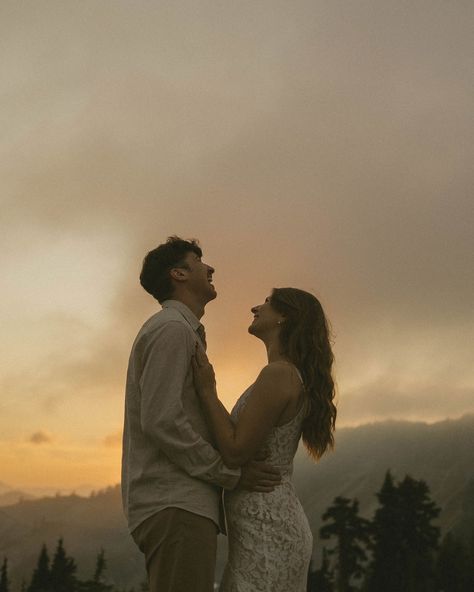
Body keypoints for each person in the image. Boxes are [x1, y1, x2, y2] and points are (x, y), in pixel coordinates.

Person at [121, 236, 281, 592]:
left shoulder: (181, 331)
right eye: (198, 260)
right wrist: (228, 474)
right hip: (175, 504)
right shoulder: (172, 330)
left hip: (180, 504)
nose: (210, 268)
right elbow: (161, 420)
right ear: (178, 273)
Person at [192, 287, 337, 591]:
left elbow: (234, 451)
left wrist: (207, 391)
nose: (255, 307)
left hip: (268, 530)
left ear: (285, 317)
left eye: (268, 302)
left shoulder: (279, 375)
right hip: (263, 526)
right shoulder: (286, 374)